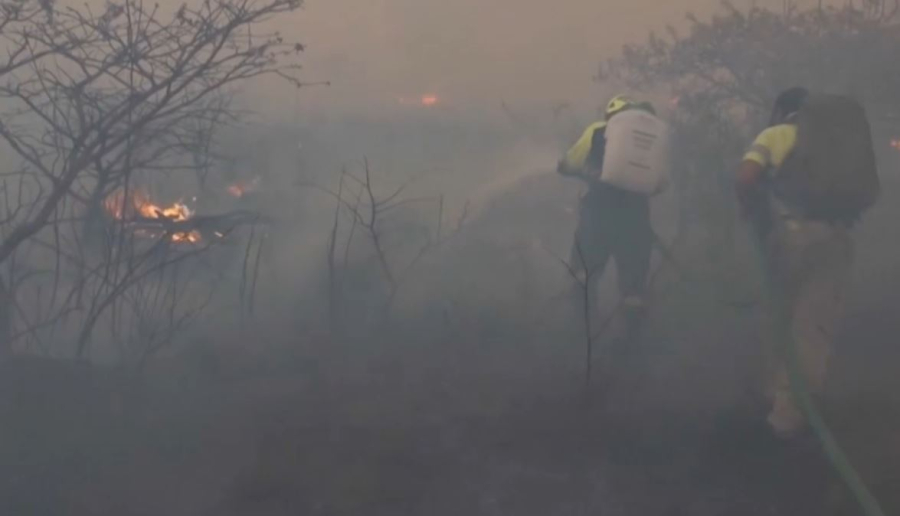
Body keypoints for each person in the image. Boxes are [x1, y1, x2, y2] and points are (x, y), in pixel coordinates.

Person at [736, 87, 856, 438]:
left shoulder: (776, 134)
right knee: (813, 327)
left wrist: (752, 212)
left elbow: (745, 177)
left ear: (782, 112)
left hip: (786, 238)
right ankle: (789, 412)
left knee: (780, 315)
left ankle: (776, 400)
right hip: (834, 241)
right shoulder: (837, 142)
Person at [556, 95, 656, 322]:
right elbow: (659, 182)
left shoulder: (598, 130)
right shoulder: (649, 138)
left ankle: (581, 335)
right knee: (634, 289)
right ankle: (632, 344)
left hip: (599, 213)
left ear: (610, 114)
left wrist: (565, 167)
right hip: (636, 217)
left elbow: (571, 162)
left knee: (583, 274)